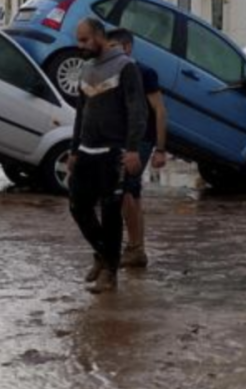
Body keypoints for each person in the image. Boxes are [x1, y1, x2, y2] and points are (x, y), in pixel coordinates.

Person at [67, 18, 147, 293]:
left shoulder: (126, 67)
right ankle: (104, 254)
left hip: (114, 153)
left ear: (99, 36)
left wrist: (133, 149)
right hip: (87, 152)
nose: (80, 46)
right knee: (78, 206)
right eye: (78, 40)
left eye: (85, 40)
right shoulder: (86, 68)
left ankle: (110, 274)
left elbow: (138, 110)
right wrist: (74, 150)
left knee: (112, 213)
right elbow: (80, 112)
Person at [107, 28, 169, 269]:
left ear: (127, 48)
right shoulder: (112, 73)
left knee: (125, 192)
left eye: (114, 47)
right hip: (122, 140)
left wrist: (160, 149)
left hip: (141, 140)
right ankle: (136, 249)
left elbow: (161, 111)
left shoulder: (145, 73)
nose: (110, 52)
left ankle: (134, 249)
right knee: (132, 194)